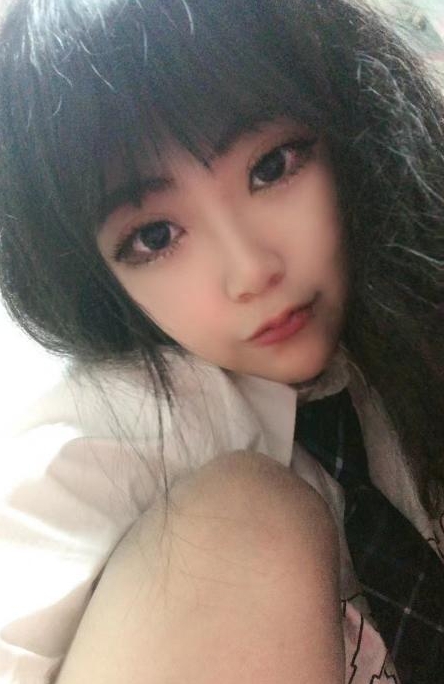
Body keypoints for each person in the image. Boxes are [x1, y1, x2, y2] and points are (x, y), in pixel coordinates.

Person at [0, 0, 443, 682]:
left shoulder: (405, 319)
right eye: (155, 237)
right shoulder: (120, 434)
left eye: (273, 166)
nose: (250, 271)